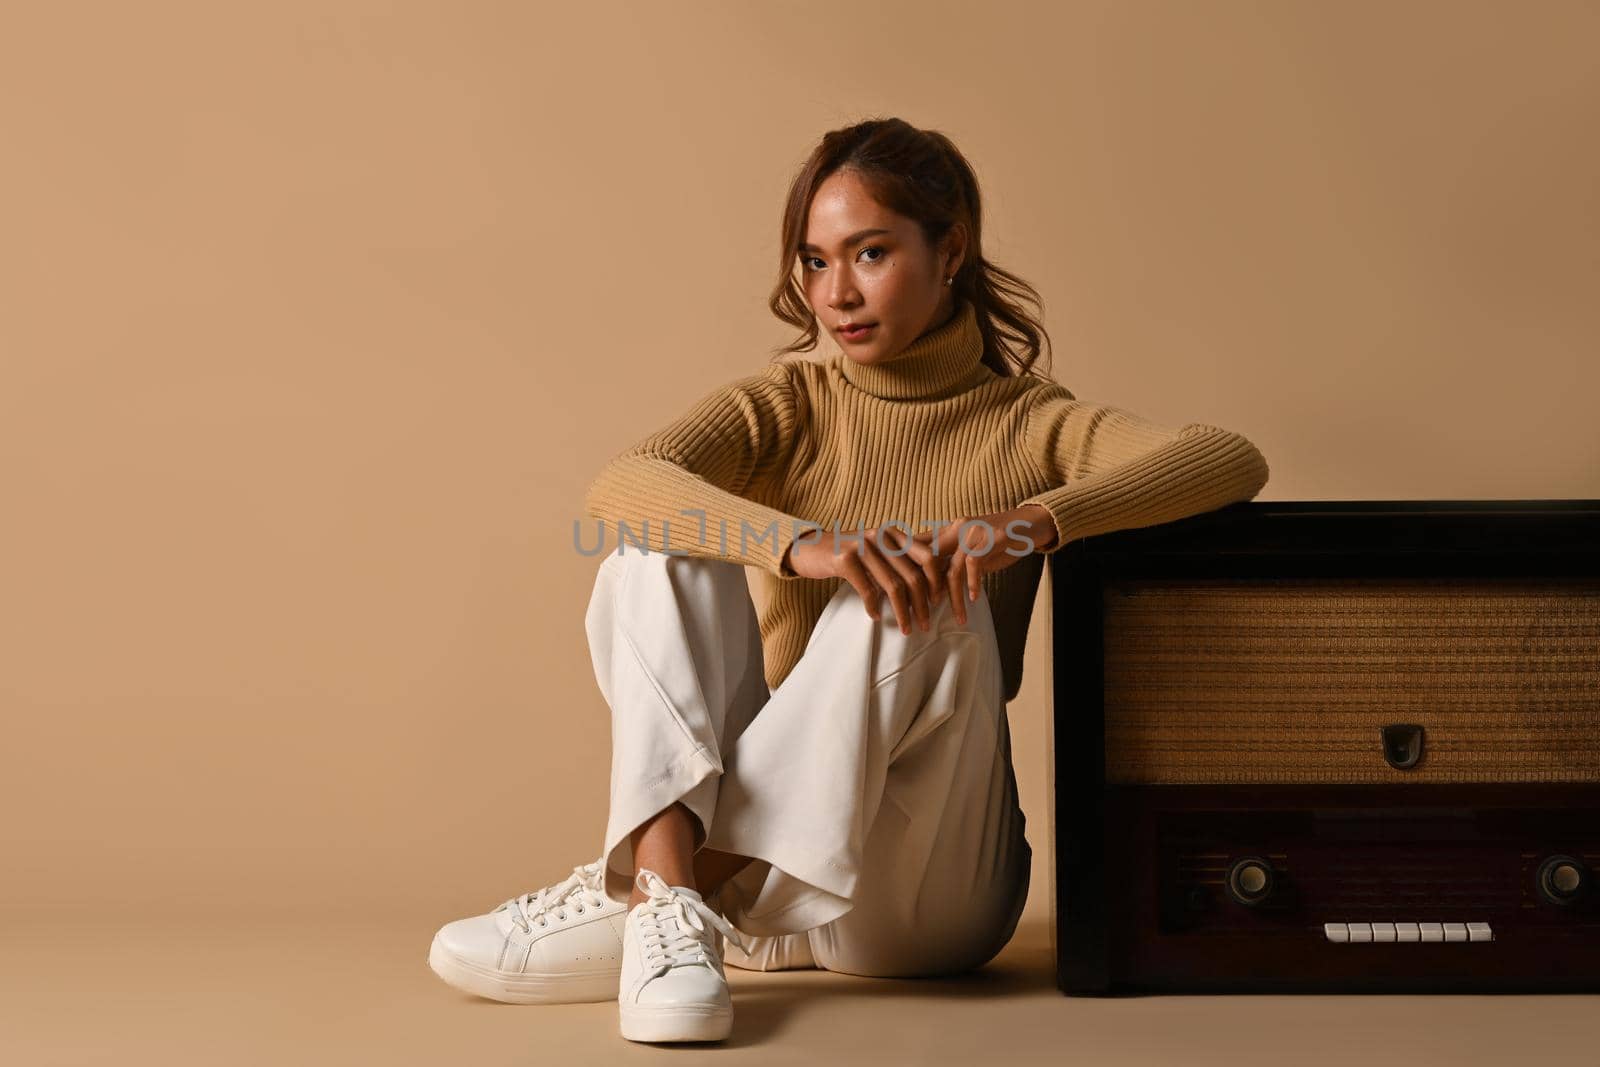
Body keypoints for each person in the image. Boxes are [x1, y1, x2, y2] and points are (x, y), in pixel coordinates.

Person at [427, 116, 1271, 1043]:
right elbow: (621, 484)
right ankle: (675, 912)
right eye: (815, 261)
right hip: (772, 908)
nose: (838, 293)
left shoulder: (1031, 424)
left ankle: (665, 885)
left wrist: (1023, 526)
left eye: (870, 253)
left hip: (919, 896)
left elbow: (1225, 457)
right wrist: (805, 546)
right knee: (648, 541)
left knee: (916, 573)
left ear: (949, 250)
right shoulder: (788, 404)